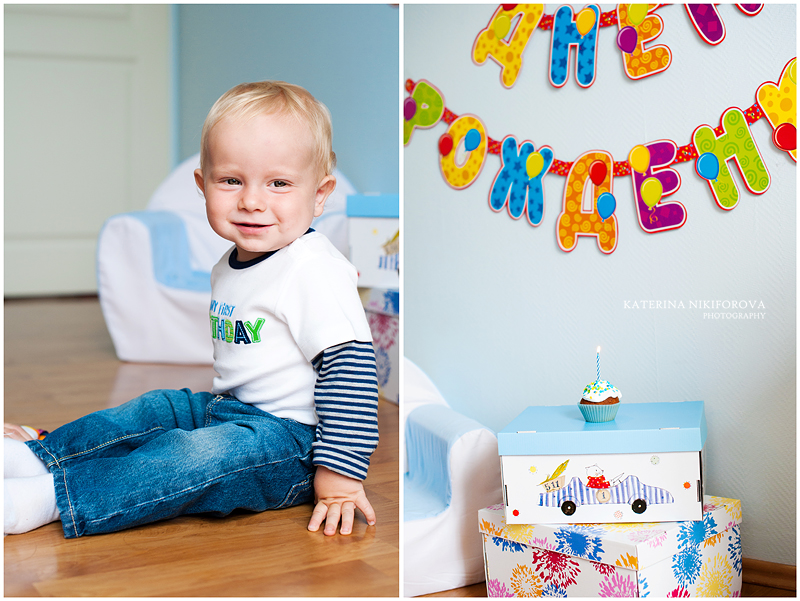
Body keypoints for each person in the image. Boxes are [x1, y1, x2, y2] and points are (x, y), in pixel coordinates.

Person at [4, 81, 379, 539]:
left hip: (292, 445)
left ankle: (52, 496)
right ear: (203, 186)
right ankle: (38, 456)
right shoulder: (230, 262)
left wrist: (340, 477)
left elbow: (352, 371)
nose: (252, 200)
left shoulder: (314, 269)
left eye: (279, 183)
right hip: (231, 410)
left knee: (189, 457)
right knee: (156, 409)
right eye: (231, 181)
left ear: (320, 195)